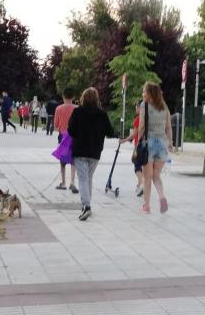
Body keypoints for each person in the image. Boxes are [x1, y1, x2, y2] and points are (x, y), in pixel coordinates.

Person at [67, 87, 116, 221]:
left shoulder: (77, 112)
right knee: (88, 178)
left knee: (82, 179)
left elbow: (71, 130)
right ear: (96, 99)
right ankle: (87, 206)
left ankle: (86, 206)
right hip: (95, 152)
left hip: (80, 150)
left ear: (83, 98)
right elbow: (110, 132)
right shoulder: (102, 114)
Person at [138, 82, 173, 214]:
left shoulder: (144, 106)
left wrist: (138, 141)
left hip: (149, 144)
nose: (142, 94)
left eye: (144, 92)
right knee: (156, 176)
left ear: (149, 94)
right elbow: (168, 127)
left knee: (147, 177)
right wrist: (170, 142)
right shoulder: (164, 106)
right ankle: (162, 197)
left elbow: (141, 126)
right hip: (163, 144)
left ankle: (146, 207)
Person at [54, 89, 79, 193]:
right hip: (75, 136)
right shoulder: (77, 108)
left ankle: (63, 182)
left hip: (63, 135)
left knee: (63, 159)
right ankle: (72, 182)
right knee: (74, 159)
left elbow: (55, 125)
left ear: (63, 97)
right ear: (73, 97)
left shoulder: (59, 108)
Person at [120, 104, 144, 197]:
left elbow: (135, 134)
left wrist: (124, 140)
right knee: (144, 166)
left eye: (136, 108)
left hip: (139, 145)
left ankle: (142, 184)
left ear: (139, 108)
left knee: (137, 165)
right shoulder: (149, 118)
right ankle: (139, 185)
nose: (136, 110)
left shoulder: (138, 119)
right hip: (149, 145)